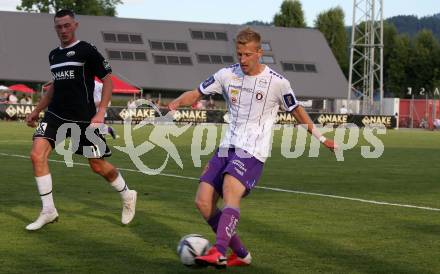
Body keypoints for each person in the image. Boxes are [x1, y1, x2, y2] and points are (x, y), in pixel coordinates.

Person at [168, 28, 337, 268]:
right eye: (239, 54)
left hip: (253, 150)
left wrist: (322, 139)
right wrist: (177, 102)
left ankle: (219, 250)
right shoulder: (227, 75)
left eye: (248, 54)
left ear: (260, 52)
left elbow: (297, 110)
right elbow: (196, 93)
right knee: (203, 202)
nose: (243, 59)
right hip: (227, 147)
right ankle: (241, 254)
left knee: (230, 189)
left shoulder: (278, 83)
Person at [25, 9, 137, 231]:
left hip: (84, 119)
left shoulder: (86, 50)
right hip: (56, 114)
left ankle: (127, 195)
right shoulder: (53, 55)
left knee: (97, 165)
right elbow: (54, 87)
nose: (63, 30)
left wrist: (101, 111)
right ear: (55, 28)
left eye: (67, 25)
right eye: (59, 26)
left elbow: (107, 80)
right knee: (36, 154)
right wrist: (37, 110)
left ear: (75, 25)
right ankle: (48, 211)